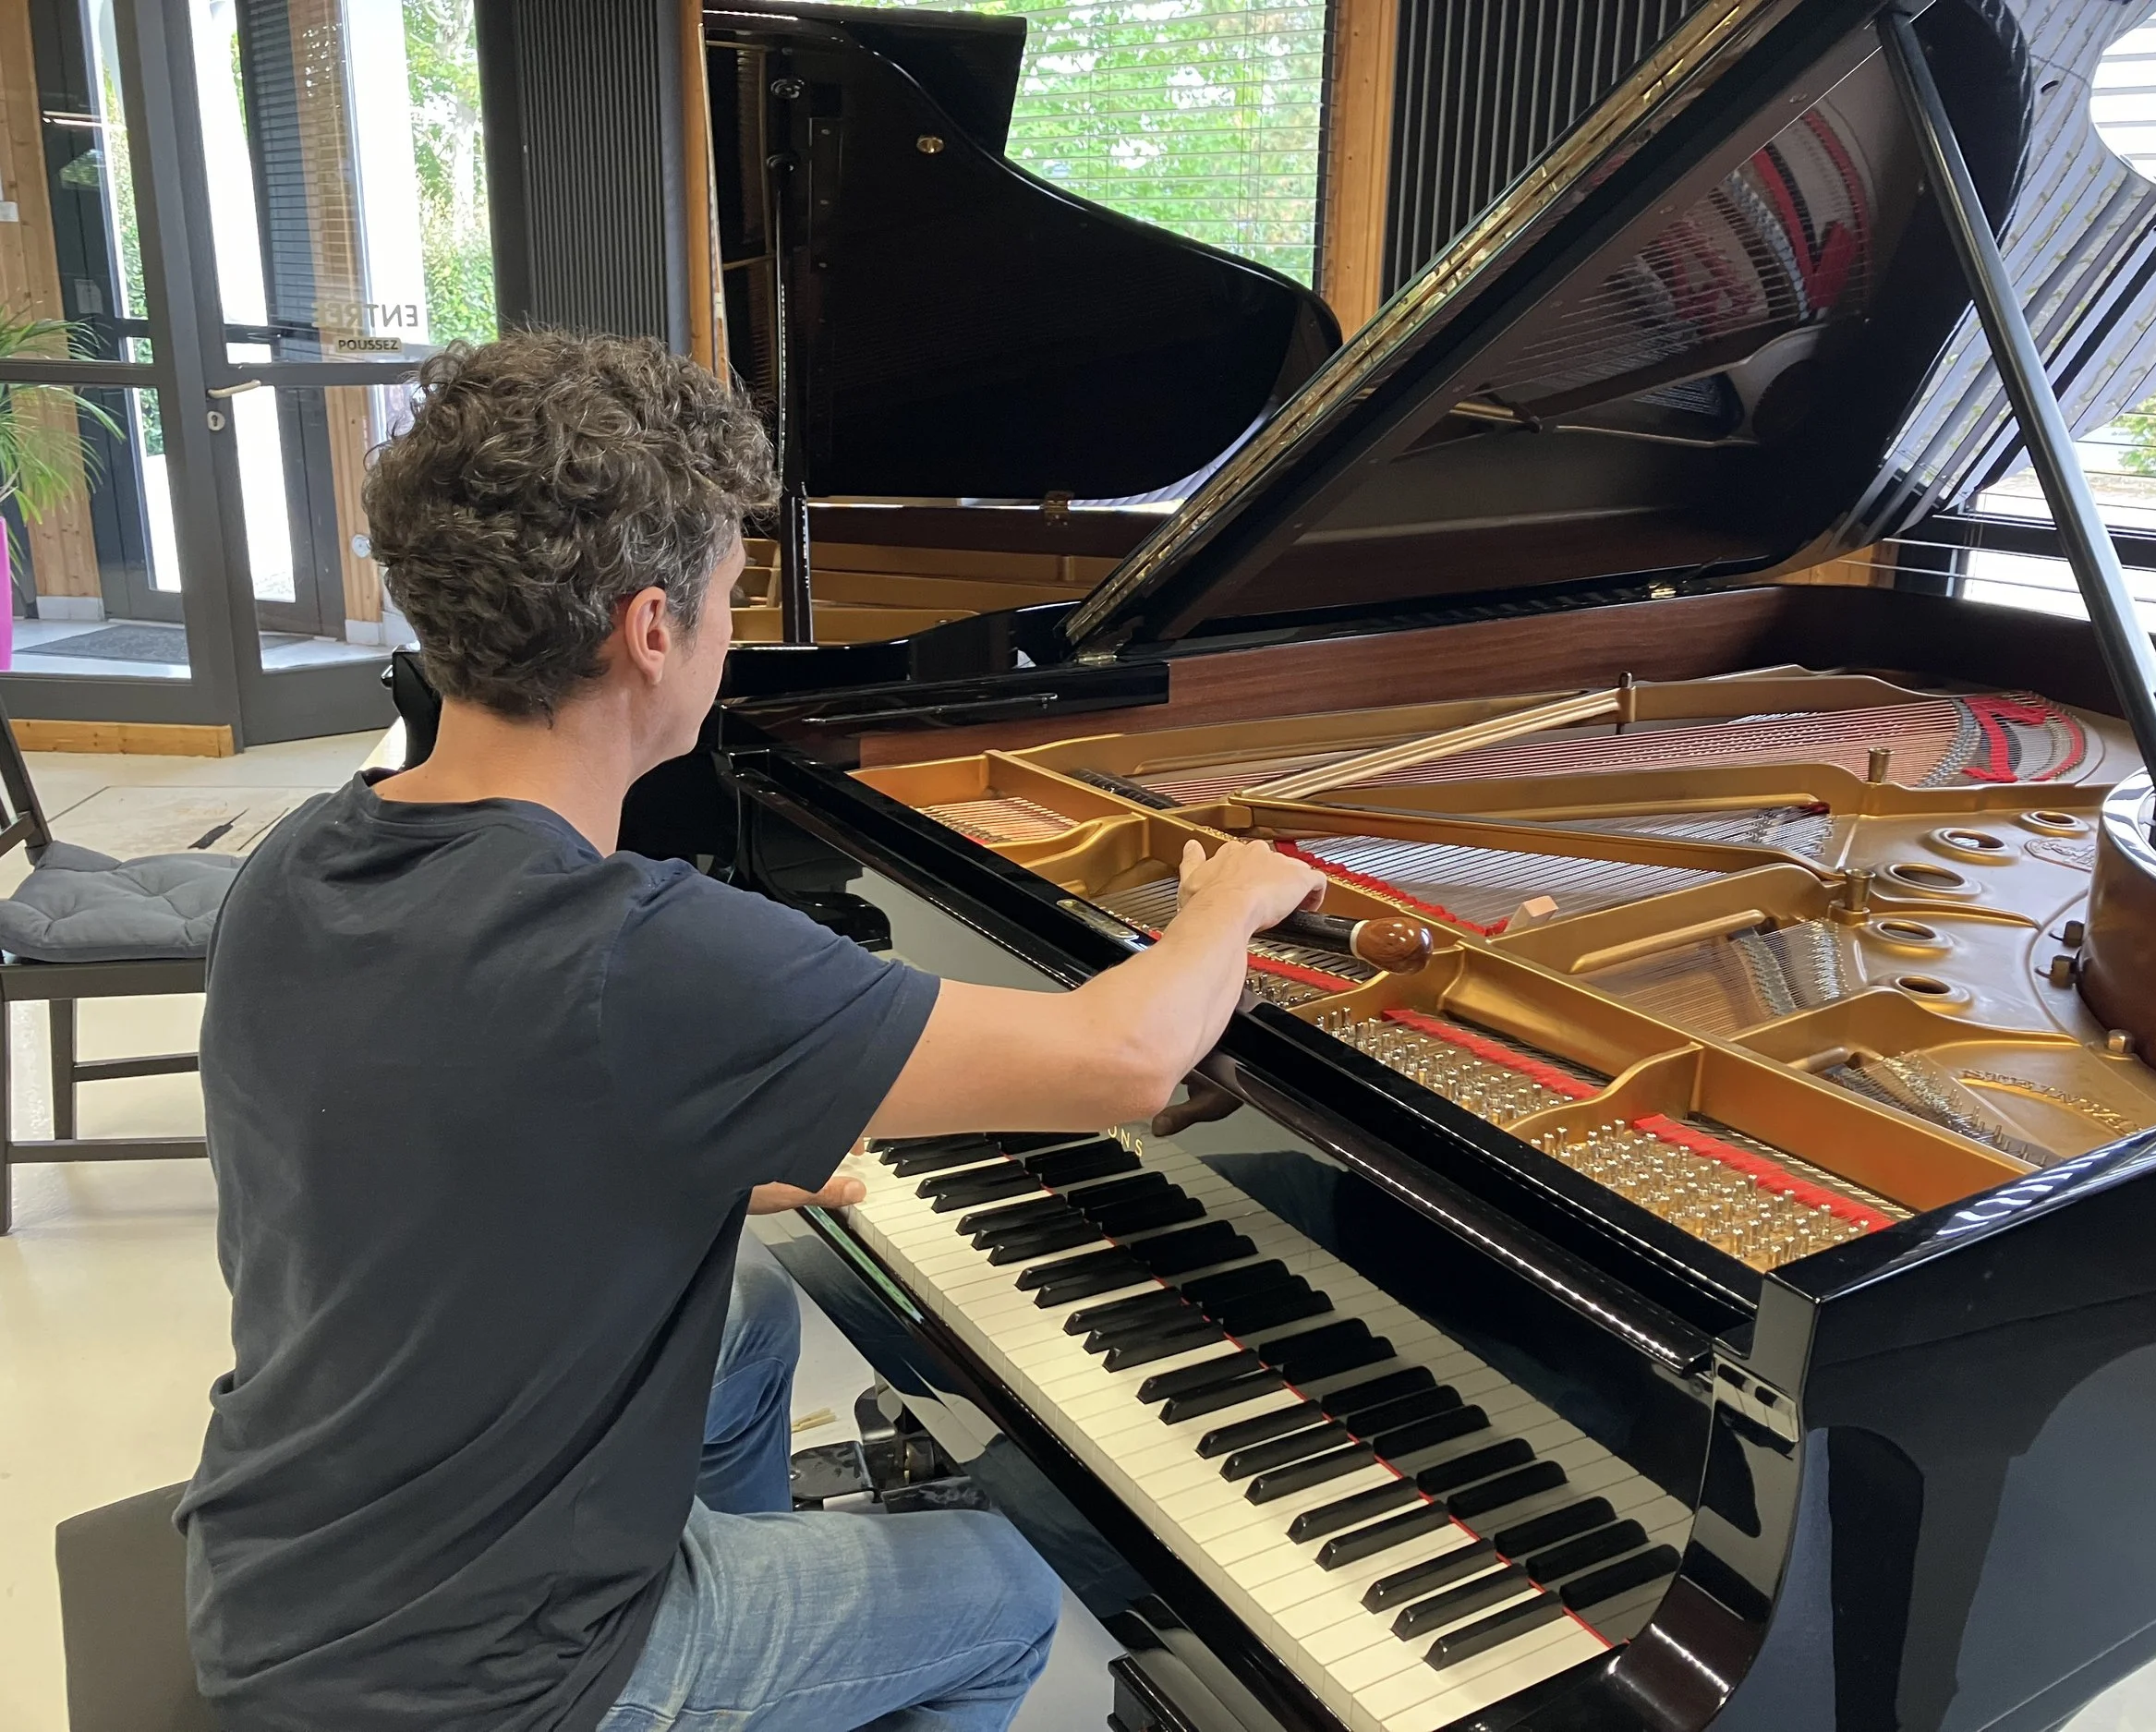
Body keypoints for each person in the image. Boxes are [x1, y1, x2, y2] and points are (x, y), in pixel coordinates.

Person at [176, 329, 1326, 1732]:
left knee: (753, 1312)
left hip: (279, 1584)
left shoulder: (300, 860)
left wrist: (698, 1160)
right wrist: (1227, 905)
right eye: (734, 596)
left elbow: (437, 1137)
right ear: (652, 630)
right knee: (1004, 1590)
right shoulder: (642, 949)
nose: (740, 633)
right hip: (491, 1687)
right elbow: (1127, 1056)